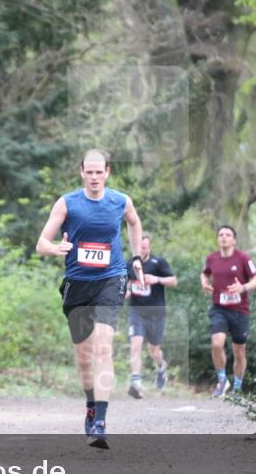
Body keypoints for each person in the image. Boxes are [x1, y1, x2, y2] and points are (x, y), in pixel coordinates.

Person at [36, 149, 143, 449]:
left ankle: (101, 422)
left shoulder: (121, 201)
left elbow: (134, 223)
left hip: (111, 278)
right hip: (77, 283)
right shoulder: (67, 203)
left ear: (108, 172)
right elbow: (41, 243)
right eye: (89, 172)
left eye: (100, 172)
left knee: (104, 347)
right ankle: (91, 405)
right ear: (82, 172)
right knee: (85, 358)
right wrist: (55, 248)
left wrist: (136, 258)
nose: (95, 177)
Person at [200, 225, 256, 397]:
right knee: (217, 343)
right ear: (218, 239)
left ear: (234, 240)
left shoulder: (243, 258)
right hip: (219, 309)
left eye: (228, 235)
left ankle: (237, 387)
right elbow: (205, 274)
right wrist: (204, 283)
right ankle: (222, 380)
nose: (224, 237)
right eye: (220, 234)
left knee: (239, 351)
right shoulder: (212, 258)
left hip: (239, 311)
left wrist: (243, 287)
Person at [125, 235, 177, 398]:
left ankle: (161, 367)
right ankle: (136, 382)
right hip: (136, 311)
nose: (141, 251)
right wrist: (125, 291)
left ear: (149, 248)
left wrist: (157, 279)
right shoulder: (129, 265)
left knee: (154, 350)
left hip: (156, 313)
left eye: (145, 248)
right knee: (135, 344)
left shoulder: (158, 263)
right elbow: (124, 285)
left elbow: (174, 281)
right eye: (139, 247)